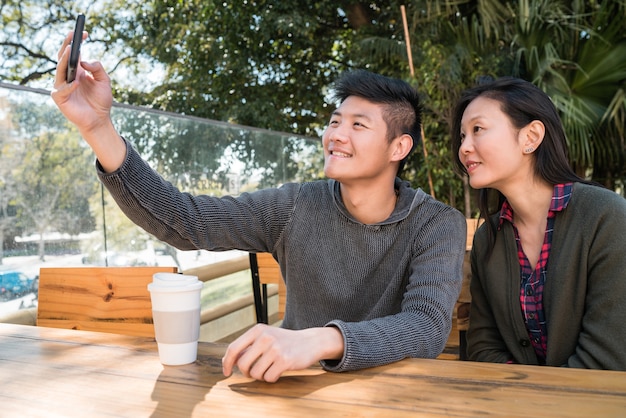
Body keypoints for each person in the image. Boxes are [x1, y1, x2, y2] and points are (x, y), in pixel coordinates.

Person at [51, 31, 466, 382]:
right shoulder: (295, 205)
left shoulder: (437, 223)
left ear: (399, 146)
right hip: (293, 388)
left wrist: (317, 340)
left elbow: (425, 328)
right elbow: (186, 221)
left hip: (397, 394)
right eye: (336, 121)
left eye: (359, 124)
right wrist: (97, 126)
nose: (337, 134)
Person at [451, 76, 626, 370]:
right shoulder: (488, 239)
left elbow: (608, 357)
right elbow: (483, 346)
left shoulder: (607, 218)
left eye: (477, 129)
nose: (464, 147)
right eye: (462, 136)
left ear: (530, 137)